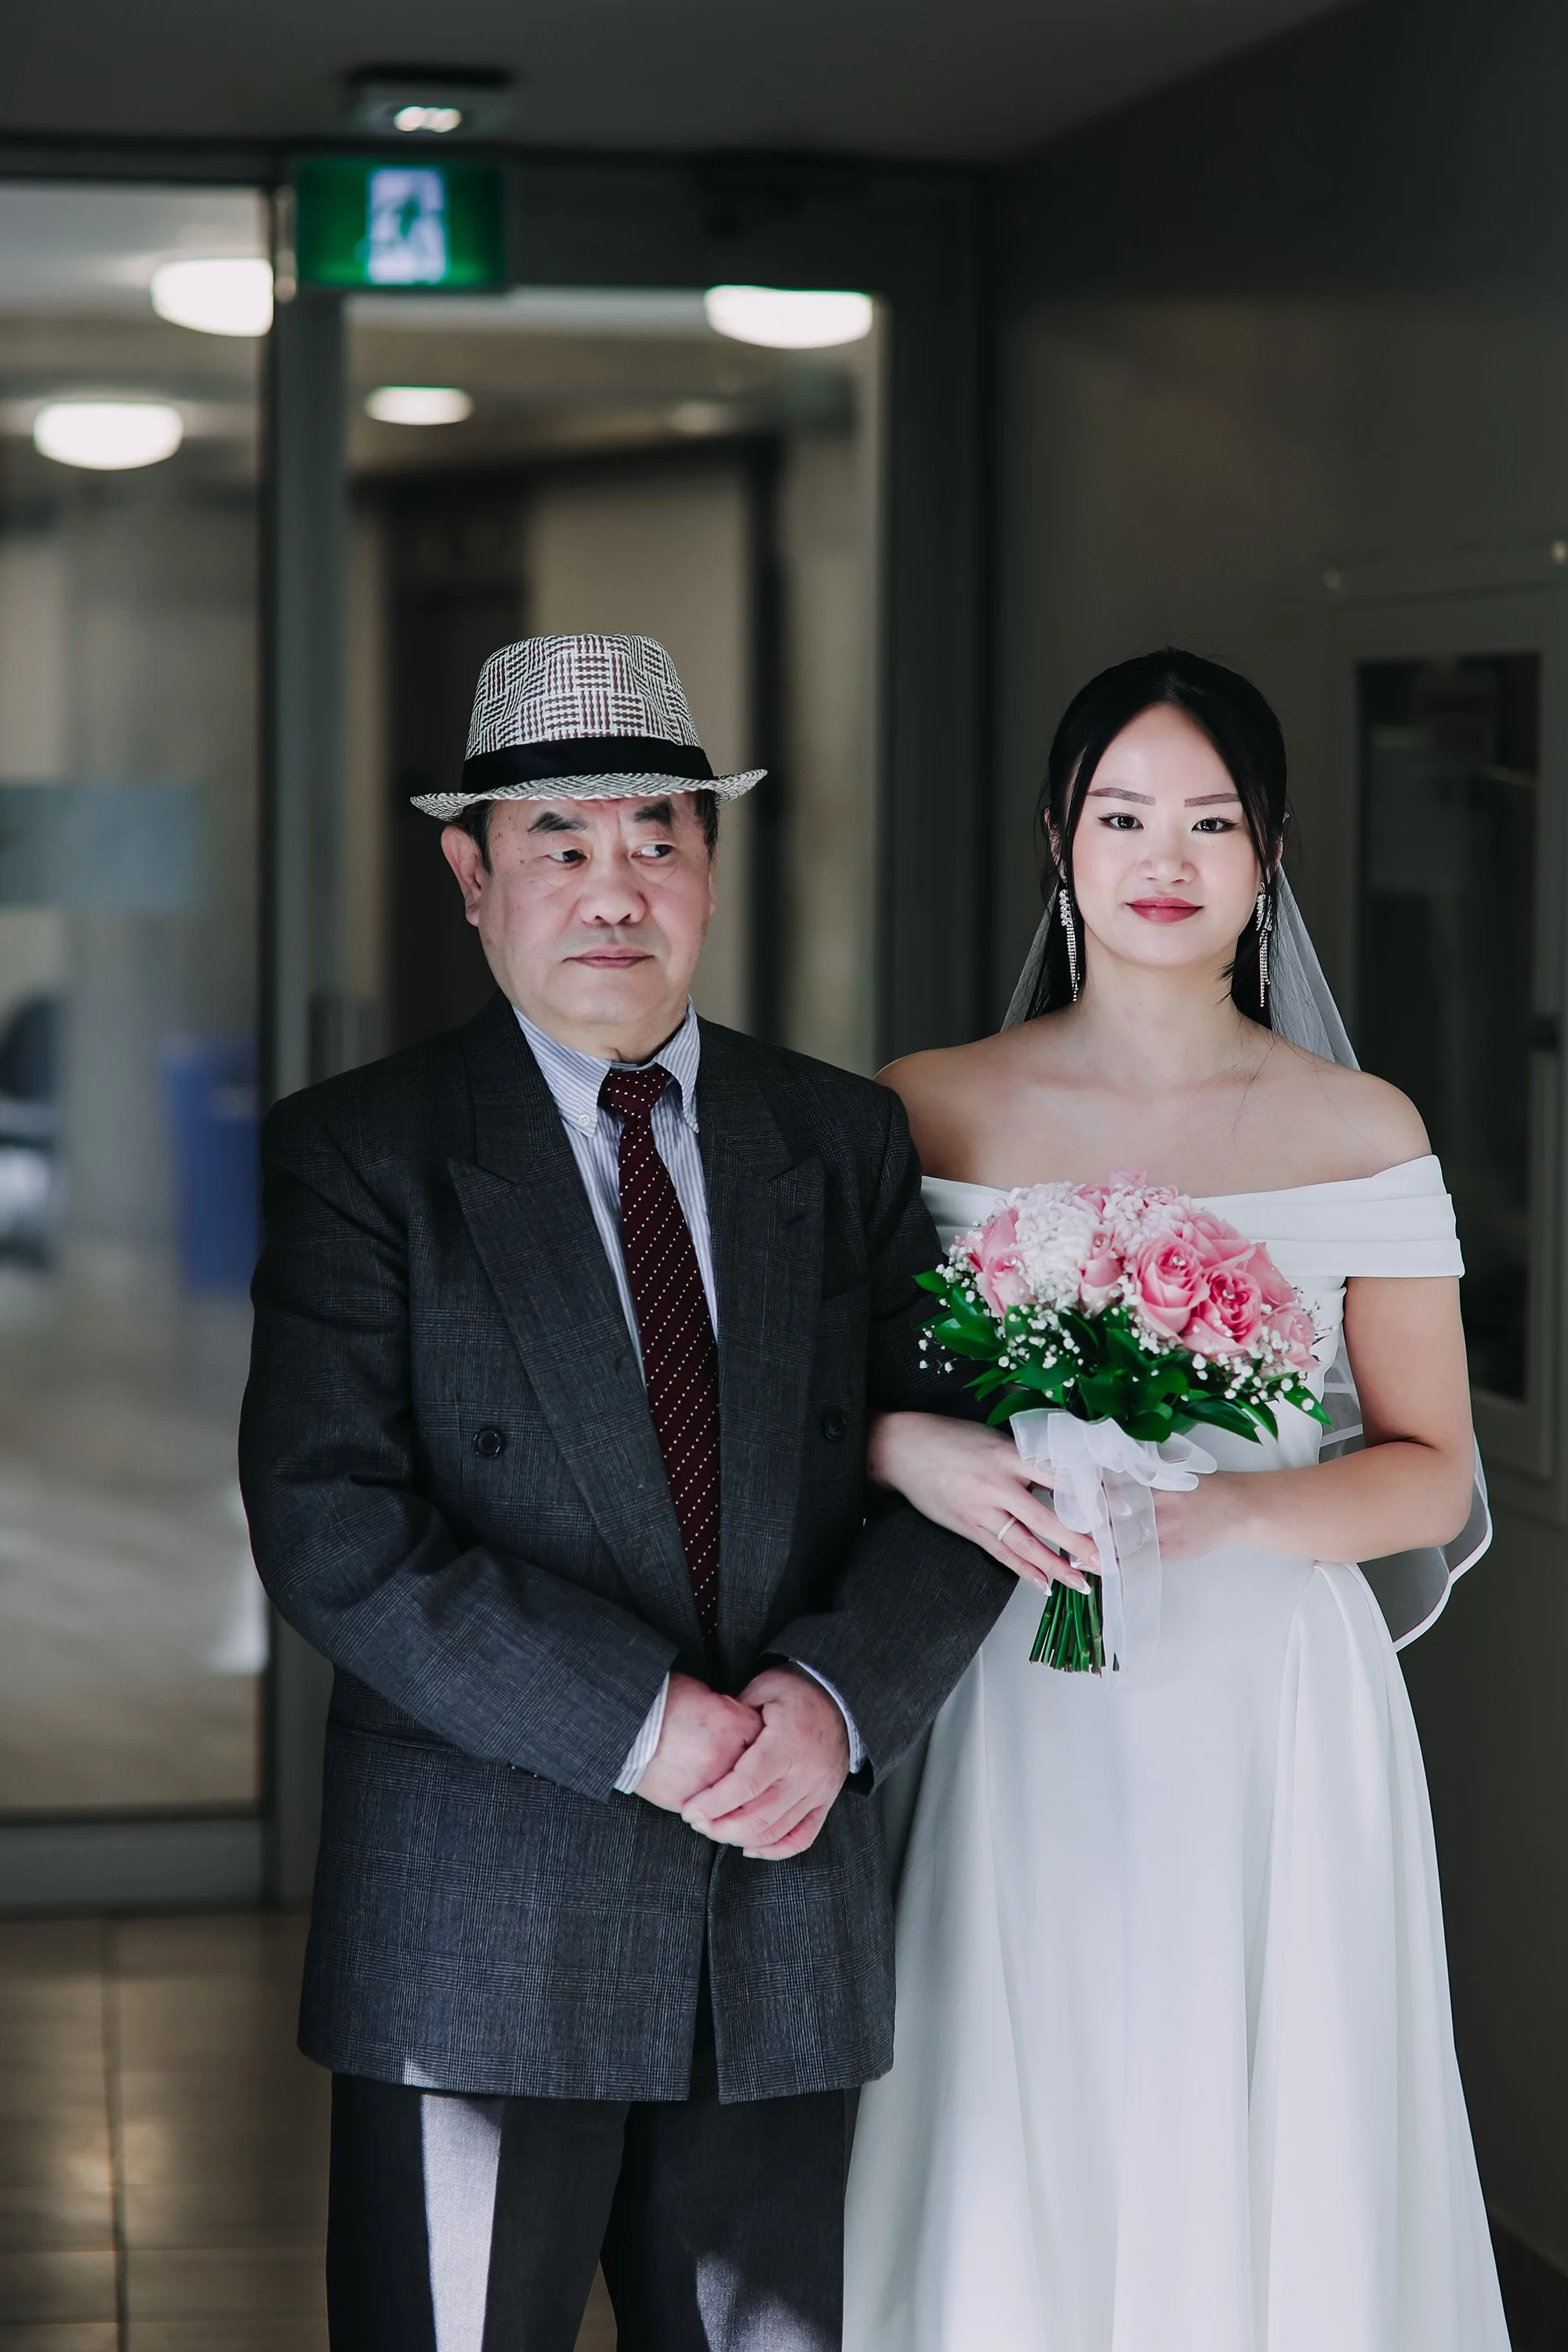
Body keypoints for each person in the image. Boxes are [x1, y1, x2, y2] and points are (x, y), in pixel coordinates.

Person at [238, 633, 1011, 2352]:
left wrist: (836, 1703)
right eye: (560, 842)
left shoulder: (841, 1139)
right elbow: (329, 1520)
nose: (615, 887)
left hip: (777, 1902)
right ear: (472, 876)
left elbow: (958, 1466)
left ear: (712, 869)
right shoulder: (365, 1150)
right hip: (481, 1918)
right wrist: (643, 1725)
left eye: (658, 837)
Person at [843, 649, 1511, 2351]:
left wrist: (1222, 1517)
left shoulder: (1359, 1127)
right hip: (1011, 1679)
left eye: (1211, 821)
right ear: (1057, 840)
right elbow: (811, 1403)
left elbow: (1432, 1467)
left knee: (1276, 2101)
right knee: (1020, 2086)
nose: (1165, 856)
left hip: (1271, 1703)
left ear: (1267, 852)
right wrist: (909, 1449)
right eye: (1123, 815)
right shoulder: (924, 1103)